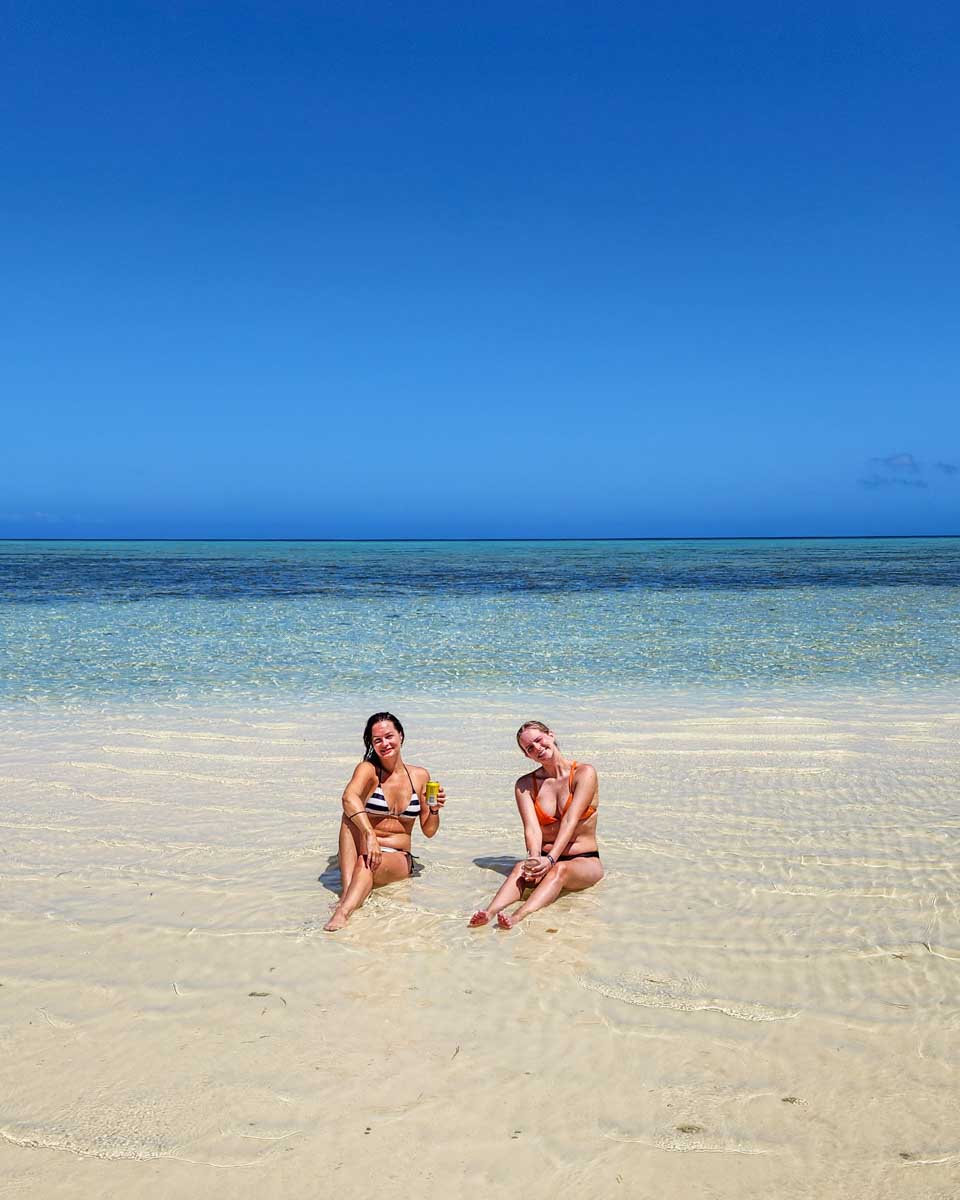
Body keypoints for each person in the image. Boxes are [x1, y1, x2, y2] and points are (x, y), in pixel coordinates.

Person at [469, 720, 603, 930]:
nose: (538, 748)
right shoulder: (525, 785)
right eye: (530, 748)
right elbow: (531, 828)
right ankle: (489, 912)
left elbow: (570, 820)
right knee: (519, 868)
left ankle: (517, 916)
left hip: (584, 861)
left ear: (550, 735)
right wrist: (533, 859)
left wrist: (550, 859)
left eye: (539, 740)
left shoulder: (584, 774)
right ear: (527, 755)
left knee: (560, 869)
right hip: (543, 859)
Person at [324, 712, 445, 932]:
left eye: (389, 736)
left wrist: (434, 810)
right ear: (371, 744)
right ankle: (348, 897)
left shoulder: (420, 776)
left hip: (397, 856)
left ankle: (344, 908)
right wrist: (370, 834)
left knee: (368, 863)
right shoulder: (368, 770)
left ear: (401, 735)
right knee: (349, 814)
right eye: (377, 740)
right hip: (366, 845)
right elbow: (348, 798)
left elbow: (429, 830)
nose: (384, 744)